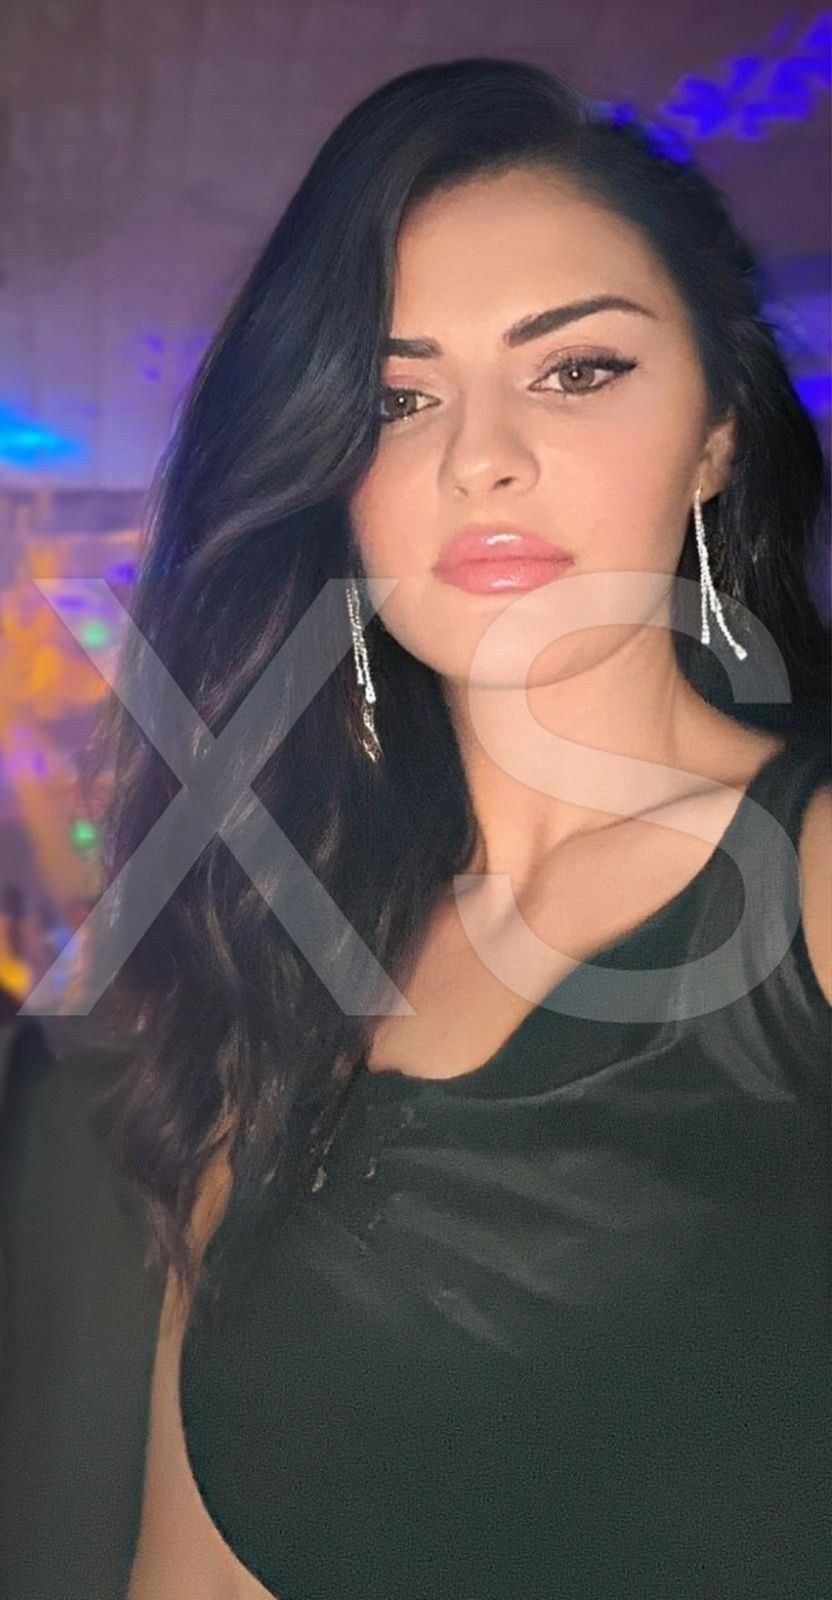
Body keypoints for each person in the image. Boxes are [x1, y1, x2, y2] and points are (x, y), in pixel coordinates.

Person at [1, 56, 830, 1600]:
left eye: (576, 369)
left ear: (717, 432)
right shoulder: (269, 962)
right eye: (397, 397)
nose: (479, 455)